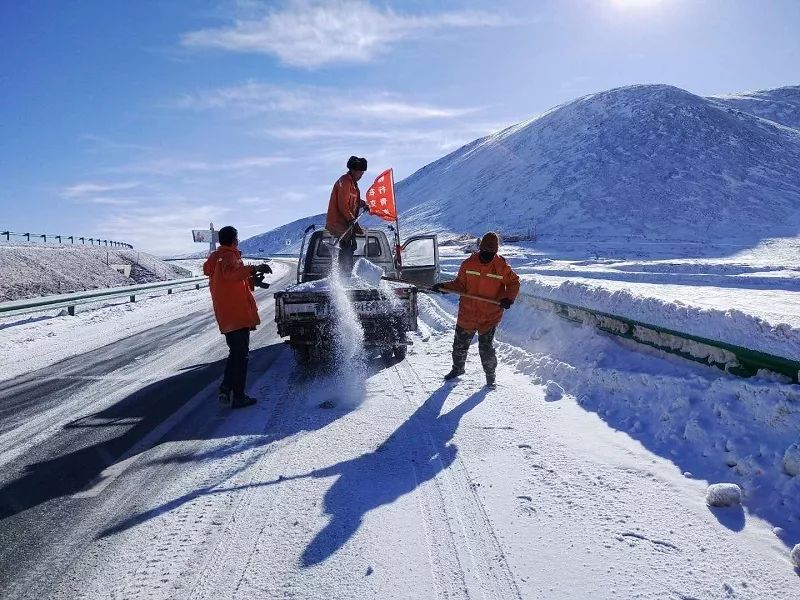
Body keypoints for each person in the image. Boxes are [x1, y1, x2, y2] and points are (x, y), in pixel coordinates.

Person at [432, 232, 520, 387]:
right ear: (480, 249)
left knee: (486, 349)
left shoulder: (501, 266)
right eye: (485, 252)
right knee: (459, 345)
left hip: (489, 315)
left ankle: (490, 376)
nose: (488, 256)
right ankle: (457, 369)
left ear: (496, 252)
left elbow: (514, 283)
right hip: (468, 313)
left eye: (492, 253)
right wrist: (444, 287)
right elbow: (459, 284)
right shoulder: (468, 264)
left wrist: (508, 298)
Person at [203, 225, 271, 408]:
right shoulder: (228, 256)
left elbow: (229, 280)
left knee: (236, 353)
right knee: (241, 355)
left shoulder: (217, 257)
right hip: (236, 313)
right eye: (237, 238)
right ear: (234, 239)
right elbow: (231, 274)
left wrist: (251, 280)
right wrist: (253, 268)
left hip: (227, 313)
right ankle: (238, 396)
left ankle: (226, 389)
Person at [325, 155, 369, 274]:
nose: (361, 176)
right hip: (339, 223)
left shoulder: (352, 184)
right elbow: (342, 204)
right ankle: (344, 273)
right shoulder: (345, 182)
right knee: (347, 246)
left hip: (345, 223)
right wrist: (350, 219)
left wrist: (364, 204)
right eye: (361, 173)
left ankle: (346, 271)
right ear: (354, 171)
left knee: (350, 246)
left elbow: (354, 201)